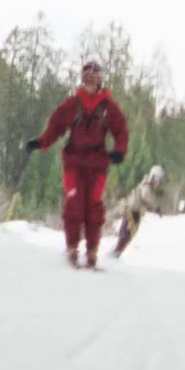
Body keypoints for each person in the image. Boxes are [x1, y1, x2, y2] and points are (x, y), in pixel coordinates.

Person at [24, 61, 129, 269]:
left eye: (94, 79)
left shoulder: (108, 108)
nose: (90, 83)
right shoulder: (73, 104)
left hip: (97, 164)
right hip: (73, 161)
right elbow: (55, 127)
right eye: (87, 80)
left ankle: (92, 249)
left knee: (93, 206)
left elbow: (121, 130)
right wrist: (40, 142)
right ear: (82, 81)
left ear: (99, 81)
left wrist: (119, 151)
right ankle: (72, 245)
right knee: (74, 203)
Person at [110, 164, 167, 258]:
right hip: (132, 210)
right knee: (128, 232)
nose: (157, 182)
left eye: (159, 180)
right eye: (156, 179)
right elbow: (146, 196)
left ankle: (118, 250)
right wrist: (156, 207)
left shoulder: (148, 186)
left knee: (130, 232)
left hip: (135, 211)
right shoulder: (146, 185)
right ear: (152, 176)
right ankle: (117, 250)